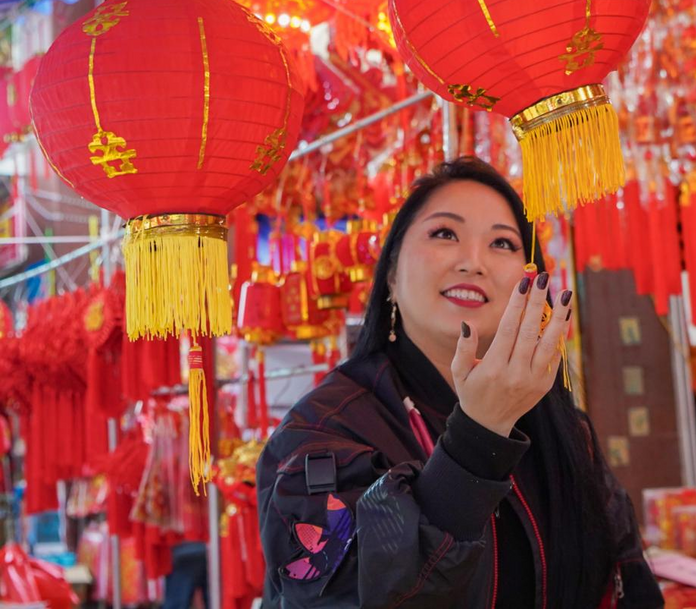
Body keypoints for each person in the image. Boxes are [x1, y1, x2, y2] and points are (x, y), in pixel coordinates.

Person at [256, 157, 664, 608]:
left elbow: (628, 586)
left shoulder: (568, 432)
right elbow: (347, 594)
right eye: (445, 234)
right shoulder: (321, 433)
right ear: (390, 274)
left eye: (503, 244)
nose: (474, 262)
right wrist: (477, 439)